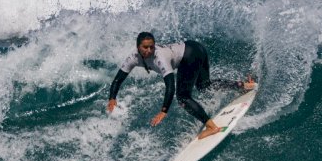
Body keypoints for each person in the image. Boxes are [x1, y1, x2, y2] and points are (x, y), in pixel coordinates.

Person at [107, 32, 255, 139]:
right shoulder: (133, 58)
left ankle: (211, 127)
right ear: (138, 47)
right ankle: (242, 85)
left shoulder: (160, 59)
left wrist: (164, 111)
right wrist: (112, 97)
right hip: (196, 48)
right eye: (145, 47)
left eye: (151, 47)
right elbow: (117, 80)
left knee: (183, 97)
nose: (149, 50)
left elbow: (170, 85)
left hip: (190, 56)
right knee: (204, 86)